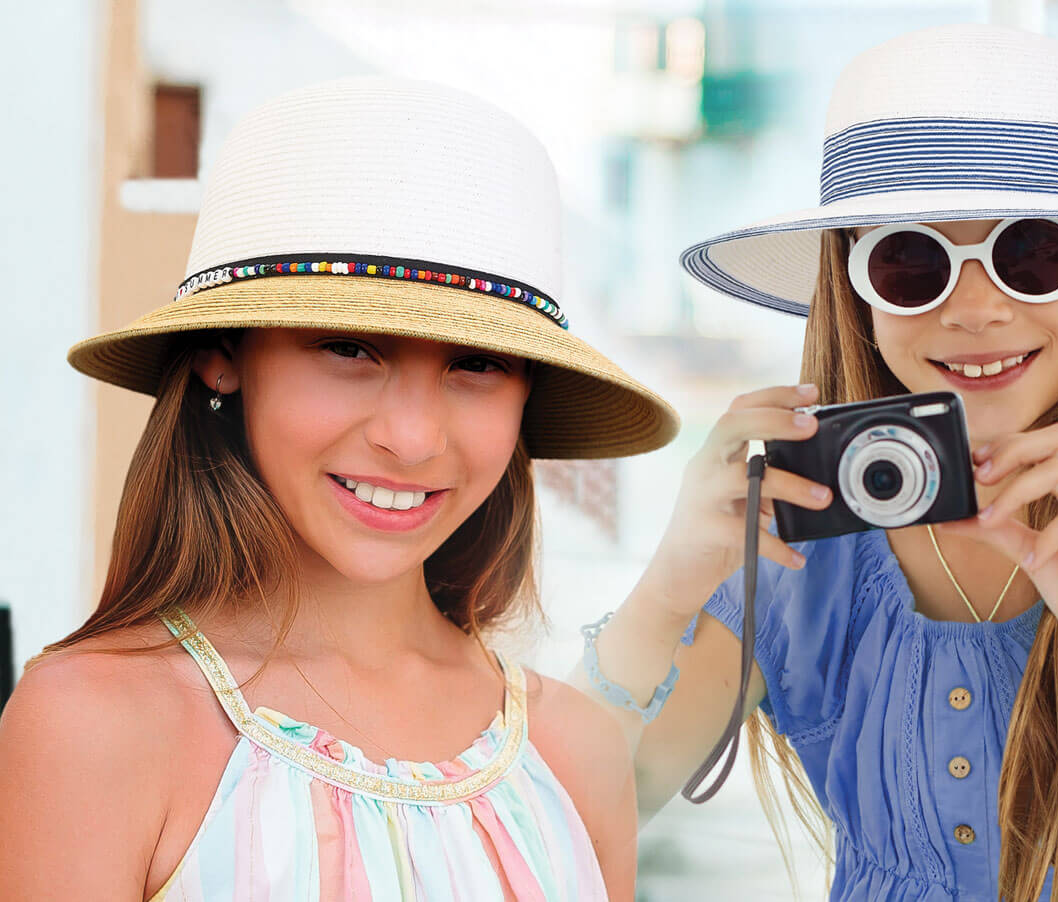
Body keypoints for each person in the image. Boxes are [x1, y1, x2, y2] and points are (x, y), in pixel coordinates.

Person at [574, 24, 1058, 902]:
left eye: (1035, 253)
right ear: (854, 293)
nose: (977, 307)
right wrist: (665, 593)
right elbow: (561, 827)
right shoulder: (802, 568)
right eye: (911, 262)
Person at [0, 77, 677, 900]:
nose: (414, 436)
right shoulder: (93, 723)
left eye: (477, 363)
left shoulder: (575, 753)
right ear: (225, 353)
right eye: (352, 348)